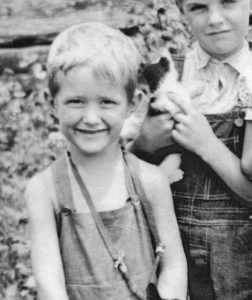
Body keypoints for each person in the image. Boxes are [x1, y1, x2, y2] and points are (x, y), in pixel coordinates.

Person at [25, 22, 187, 300]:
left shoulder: (150, 181)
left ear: (133, 103)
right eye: (76, 101)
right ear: (52, 103)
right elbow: (49, 283)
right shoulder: (44, 190)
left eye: (106, 102)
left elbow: (173, 266)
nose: (90, 117)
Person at [131, 1, 252, 299]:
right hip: (173, 258)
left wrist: (206, 145)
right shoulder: (165, 73)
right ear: (180, 9)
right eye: (198, 6)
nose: (215, 19)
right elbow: (120, 169)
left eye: (228, 2)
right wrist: (142, 143)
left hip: (240, 266)